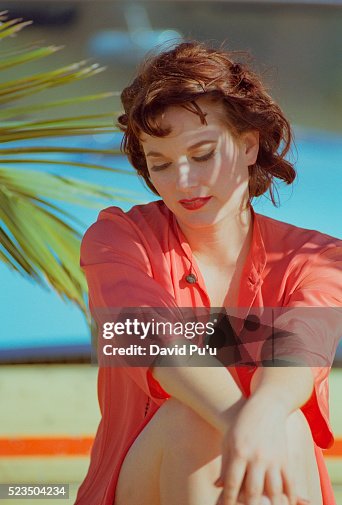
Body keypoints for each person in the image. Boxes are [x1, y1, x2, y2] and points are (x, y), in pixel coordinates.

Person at [74, 41, 341, 505]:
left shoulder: (318, 256)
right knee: (193, 420)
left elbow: (302, 353)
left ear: (248, 144)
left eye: (202, 155)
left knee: (286, 419)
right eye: (160, 164)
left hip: (277, 464)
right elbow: (143, 338)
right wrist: (242, 419)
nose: (183, 181)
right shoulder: (116, 240)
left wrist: (264, 414)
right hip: (143, 482)